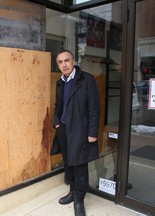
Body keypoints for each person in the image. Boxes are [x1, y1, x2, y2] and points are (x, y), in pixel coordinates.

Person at [52, 50, 100, 216]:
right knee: (69, 163)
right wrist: (56, 122)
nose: (64, 64)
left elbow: (94, 109)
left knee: (79, 164)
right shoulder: (60, 82)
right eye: (60, 62)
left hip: (80, 130)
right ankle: (72, 192)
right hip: (64, 129)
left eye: (67, 60)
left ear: (73, 61)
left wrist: (92, 132)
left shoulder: (86, 80)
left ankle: (79, 200)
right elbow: (58, 105)